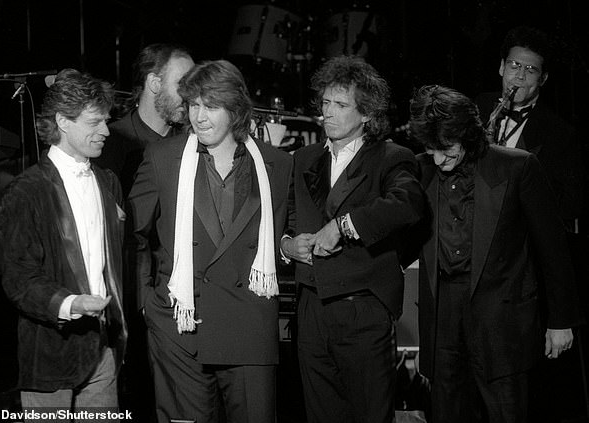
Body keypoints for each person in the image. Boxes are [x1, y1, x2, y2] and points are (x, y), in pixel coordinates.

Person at [128, 60, 293, 423]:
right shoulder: (162, 158)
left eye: (211, 105)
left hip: (249, 328)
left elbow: (288, 232)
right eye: (193, 105)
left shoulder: (276, 165)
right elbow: (134, 235)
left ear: (236, 109)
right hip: (180, 328)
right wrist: (146, 302)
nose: (200, 117)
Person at [409, 84, 583, 423]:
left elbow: (552, 247)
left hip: (500, 318)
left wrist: (561, 321)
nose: (438, 159)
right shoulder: (420, 169)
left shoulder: (517, 167)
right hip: (443, 317)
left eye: (446, 148)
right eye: (431, 149)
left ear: (467, 134)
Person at [280, 55, 427, 423]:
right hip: (311, 309)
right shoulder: (303, 158)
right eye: (326, 103)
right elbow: (287, 220)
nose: (328, 113)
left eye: (340, 105)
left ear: (366, 114)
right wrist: (287, 246)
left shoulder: (391, 157)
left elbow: (408, 204)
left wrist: (343, 225)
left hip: (362, 308)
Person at [0, 69, 127, 419]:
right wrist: (71, 303)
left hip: (104, 353)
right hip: (51, 355)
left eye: (106, 121)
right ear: (63, 122)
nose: (105, 131)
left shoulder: (107, 182)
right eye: (94, 122)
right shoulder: (26, 191)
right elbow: (18, 278)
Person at [475, 25, 584, 230]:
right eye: (514, 65)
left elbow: (570, 204)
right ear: (501, 67)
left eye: (531, 70)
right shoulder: (477, 107)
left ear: (543, 79)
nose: (520, 76)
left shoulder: (560, 133)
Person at [94, 43, 195, 196]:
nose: (190, 94)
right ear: (154, 83)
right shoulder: (111, 142)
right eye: (182, 84)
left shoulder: (192, 139)